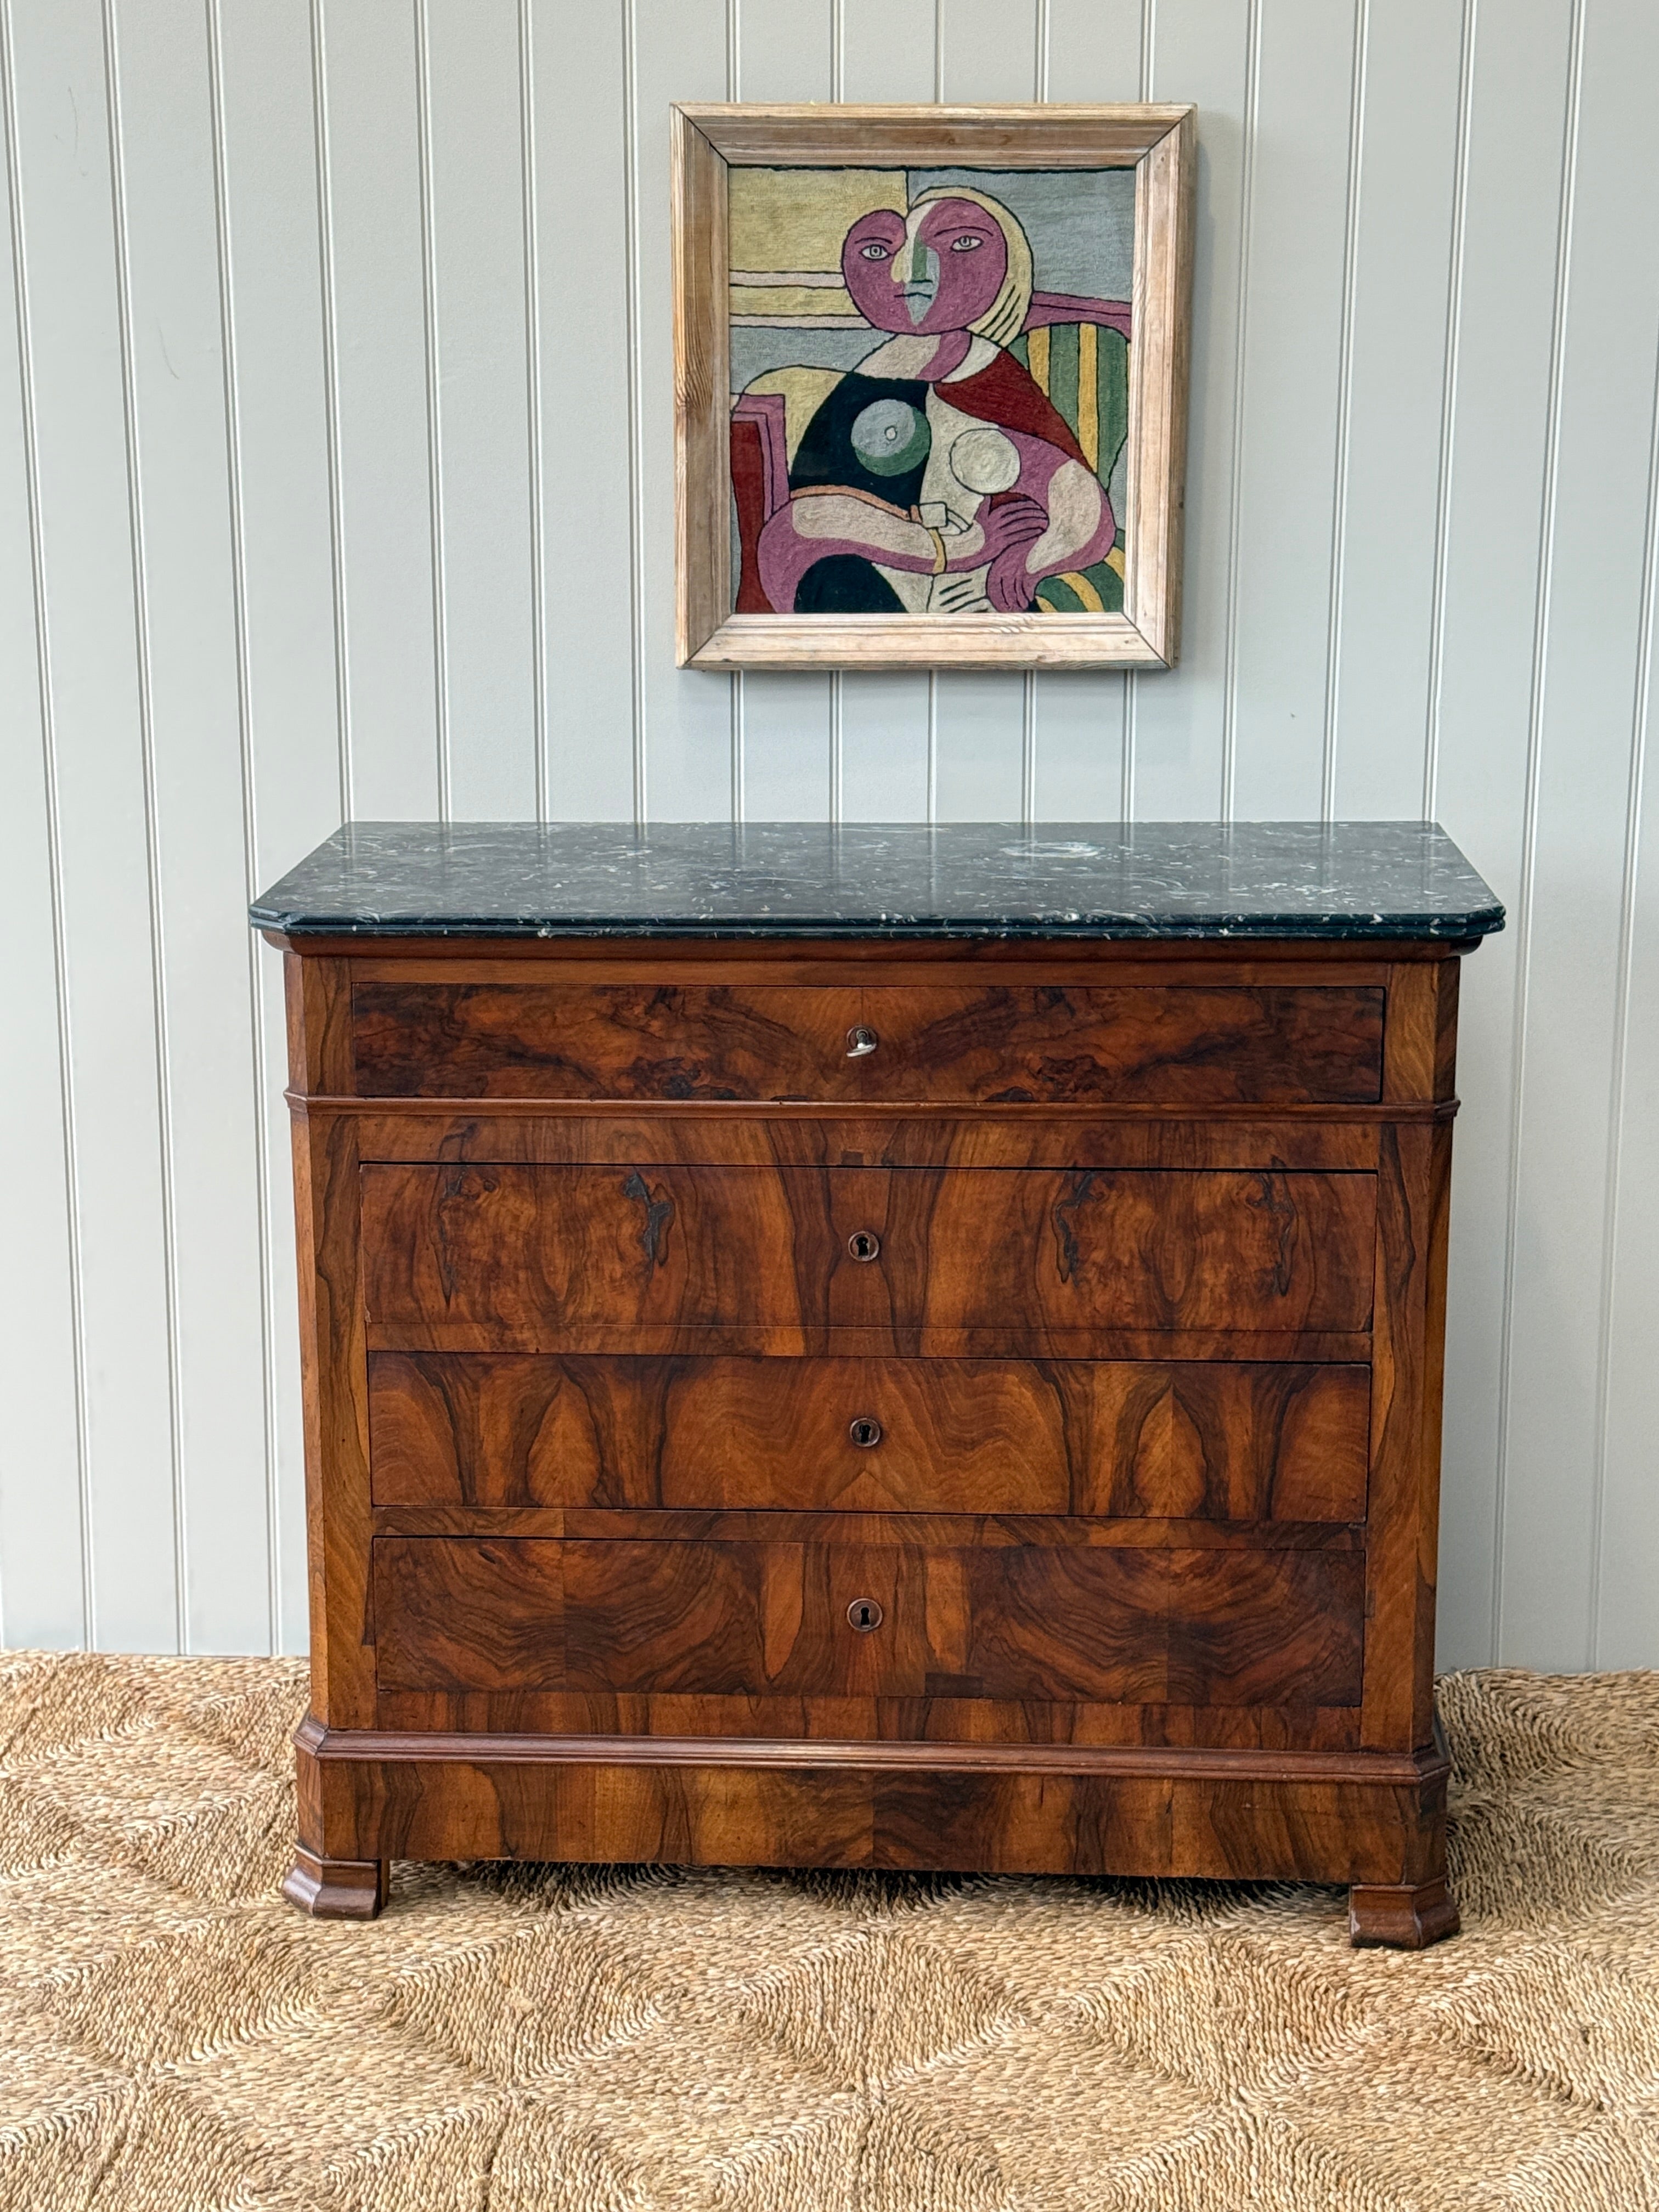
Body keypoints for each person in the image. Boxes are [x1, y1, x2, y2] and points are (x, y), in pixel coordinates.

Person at [745, 188, 1116, 616]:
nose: (911, 275)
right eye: (878, 251)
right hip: (869, 582)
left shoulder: (988, 375)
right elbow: (805, 522)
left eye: (960, 244)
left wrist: (1026, 564)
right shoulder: (869, 379)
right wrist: (956, 548)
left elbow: (1080, 508)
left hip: (968, 598)